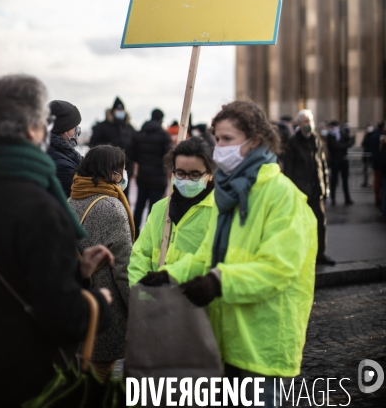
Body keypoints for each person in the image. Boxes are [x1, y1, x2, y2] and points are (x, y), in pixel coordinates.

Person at [140, 100, 317, 408]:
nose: (218, 147)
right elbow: (205, 255)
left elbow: (279, 267)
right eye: (217, 138)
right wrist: (171, 273)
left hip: (263, 344)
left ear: (256, 141)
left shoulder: (282, 196)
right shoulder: (230, 192)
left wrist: (219, 281)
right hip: (226, 339)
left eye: (227, 139)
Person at [0, 74, 112, 408]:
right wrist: (97, 302)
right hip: (22, 379)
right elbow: (64, 318)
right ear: (32, 130)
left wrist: (75, 270)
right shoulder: (38, 207)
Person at [69, 145, 134, 381]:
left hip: (76, 300)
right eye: (122, 169)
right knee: (100, 375)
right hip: (106, 306)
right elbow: (123, 267)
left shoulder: (72, 197)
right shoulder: (112, 207)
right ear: (113, 172)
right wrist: (137, 309)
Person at [128, 136, 216, 286]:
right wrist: (144, 293)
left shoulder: (219, 211)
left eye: (195, 174)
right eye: (180, 173)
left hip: (196, 303)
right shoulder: (161, 208)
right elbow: (140, 255)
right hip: (156, 301)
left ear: (210, 174)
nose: (186, 180)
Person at [283, 109, 334, 266]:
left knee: (320, 222)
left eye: (310, 120)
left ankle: (320, 254)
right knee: (301, 224)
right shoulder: (293, 142)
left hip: (316, 189)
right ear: (298, 124)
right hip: (301, 191)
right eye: (305, 121)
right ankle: (303, 254)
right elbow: (288, 170)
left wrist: (325, 186)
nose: (308, 124)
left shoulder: (316, 139)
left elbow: (322, 164)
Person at [128, 108, 172, 238]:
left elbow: (130, 153)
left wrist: (142, 161)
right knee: (154, 209)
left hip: (142, 176)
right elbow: (169, 156)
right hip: (158, 178)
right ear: (161, 119)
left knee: (139, 207)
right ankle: (149, 236)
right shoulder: (164, 136)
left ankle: (134, 235)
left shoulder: (139, 135)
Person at [90, 97, 135, 198]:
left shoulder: (129, 128)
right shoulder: (102, 127)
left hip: (126, 168)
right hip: (107, 168)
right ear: (113, 111)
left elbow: (135, 146)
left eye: (121, 110)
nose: (120, 112)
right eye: (118, 110)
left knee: (124, 196)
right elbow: (93, 144)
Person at [47, 99, 82, 197]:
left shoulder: (60, 152)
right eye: (75, 126)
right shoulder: (62, 166)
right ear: (63, 129)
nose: (78, 131)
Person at [327, 121, 355, 205]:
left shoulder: (342, 133)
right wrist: (344, 145)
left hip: (343, 159)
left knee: (345, 180)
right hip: (335, 160)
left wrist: (345, 145)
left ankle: (347, 198)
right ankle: (333, 198)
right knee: (334, 180)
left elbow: (350, 141)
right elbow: (334, 146)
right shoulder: (330, 135)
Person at [370, 120, 385, 207]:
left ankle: (378, 198)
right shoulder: (381, 136)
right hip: (381, 163)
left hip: (376, 162)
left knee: (377, 182)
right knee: (381, 183)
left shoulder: (373, 136)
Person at [361, 122, 374, 188]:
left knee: (371, 170)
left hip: (371, 156)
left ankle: (371, 183)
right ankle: (365, 182)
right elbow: (363, 143)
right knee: (365, 170)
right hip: (366, 156)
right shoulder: (366, 135)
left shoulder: (373, 135)